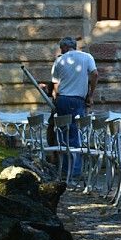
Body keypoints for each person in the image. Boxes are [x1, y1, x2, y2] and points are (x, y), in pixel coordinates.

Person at [49, 36, 98, 175]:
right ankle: (75, 170)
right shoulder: (87, 57)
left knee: (63, 133)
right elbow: (95, 74)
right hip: (78, 100)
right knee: (76, 132)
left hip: (63, 99)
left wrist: (56, 99)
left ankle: (65, 169)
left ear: (64, 47)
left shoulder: (59, 60)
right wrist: (91, 94)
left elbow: (56, 85)